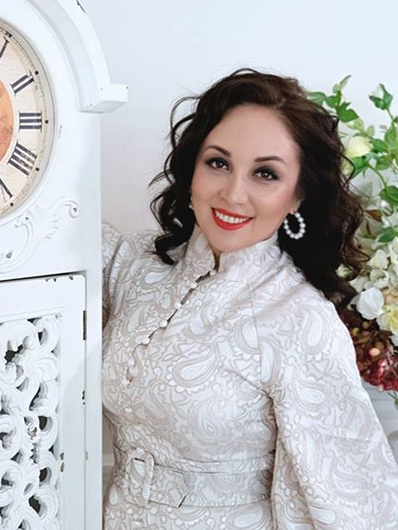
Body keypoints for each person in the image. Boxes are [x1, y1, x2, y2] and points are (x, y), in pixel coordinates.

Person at [101, 68, 398, 530]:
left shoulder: (299, 319)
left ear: (298, 195)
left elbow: (355, 505)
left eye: (265, 173)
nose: (233, 193)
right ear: (192, 167)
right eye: (218, 163)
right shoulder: (136, 266)